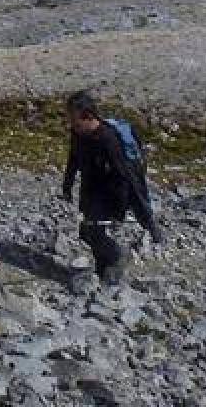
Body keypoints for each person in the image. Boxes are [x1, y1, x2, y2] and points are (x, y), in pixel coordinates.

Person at [59, 90, 160, 286]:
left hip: (109, 192)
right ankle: (103, 268)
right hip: (90, 188)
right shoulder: (78, 134)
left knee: (91, 231)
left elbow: (124, 175)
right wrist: (68, 184)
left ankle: (116, 258)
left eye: (74, 119)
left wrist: (119, 209)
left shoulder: (108, 138)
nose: (71, 123)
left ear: (88, 116)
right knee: (89, 231)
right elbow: (73, 158)